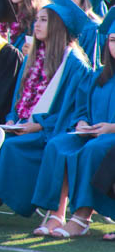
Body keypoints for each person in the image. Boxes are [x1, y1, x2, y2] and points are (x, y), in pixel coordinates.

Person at [0, 0, 92, 223]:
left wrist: (37, 126)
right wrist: (14, 119)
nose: (36, 24)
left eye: (44, 20)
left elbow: (72, 112)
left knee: (11, 147)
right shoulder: (32, 58)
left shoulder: (75, 65)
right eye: (37, 19)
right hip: (26, 127)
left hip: (51, 131)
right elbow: (20, 99)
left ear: (58, 25)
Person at [31, 17, 115, 239]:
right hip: (93, 133)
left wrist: (111, 128)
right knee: (57, 144)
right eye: (113, 40)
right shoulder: (98, 75)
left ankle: (82, 217)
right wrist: (82, 123)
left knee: (93, 149)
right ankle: (56, 213)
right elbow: (81, 109)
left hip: (109, 136)